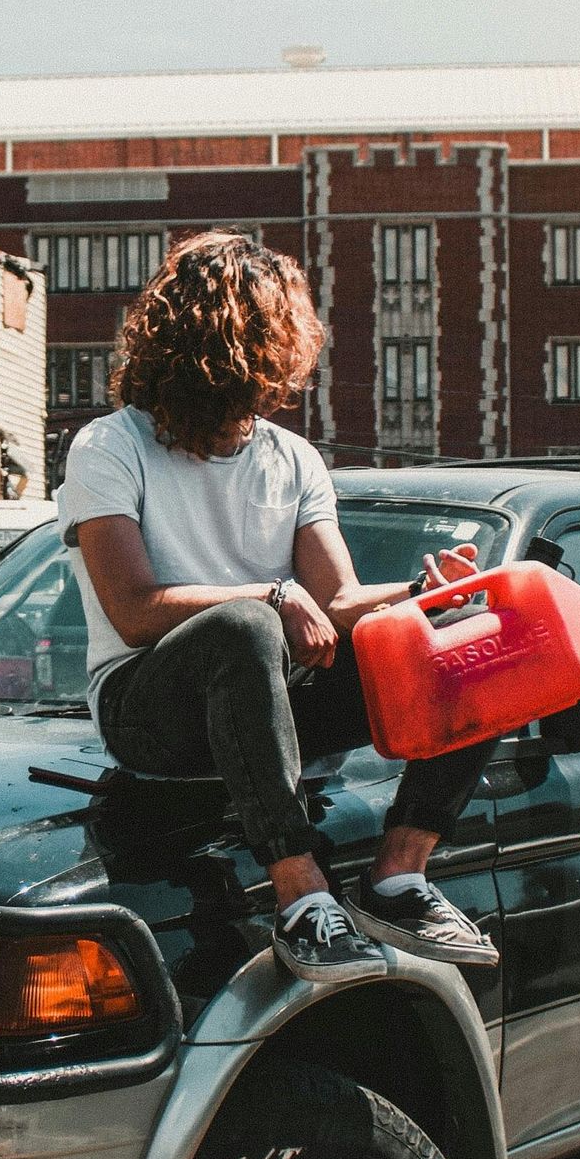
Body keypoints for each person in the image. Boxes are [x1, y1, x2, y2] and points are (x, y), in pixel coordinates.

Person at [58, 229, 502, 982]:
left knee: (480, 632)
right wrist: (268, 593)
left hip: (268, 698)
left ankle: (397, 876)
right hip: (149, 708)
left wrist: (429, 593)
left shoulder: (291, 458)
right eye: (269, 342)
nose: (277, 368)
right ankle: (299, 893)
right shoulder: (110, 446)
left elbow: (337, 603)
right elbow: (133, 611)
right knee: (243, 624)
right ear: (229, 349)